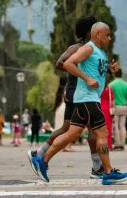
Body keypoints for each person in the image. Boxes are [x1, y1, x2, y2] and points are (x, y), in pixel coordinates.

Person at [30, 22, 127, 185]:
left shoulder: (100, 53)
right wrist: (87, 79)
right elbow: (68, 64)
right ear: (97, 34)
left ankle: (42, 160)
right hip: (87, 98)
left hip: (87, 99)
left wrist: (109, 71)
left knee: (72, 134)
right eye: (107, 35)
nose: (110, 38)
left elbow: (98, 74)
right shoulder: (88, 48)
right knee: (102, 134)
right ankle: (108, 172)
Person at [28, 16, 103, 179]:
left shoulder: (92, 49)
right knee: (88, 130)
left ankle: (39, 153)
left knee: (69, 130)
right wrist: (79, 73)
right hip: (76, 92)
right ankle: (97, 166)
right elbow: (60, 63)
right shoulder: (77, 48)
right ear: (88, 32)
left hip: (81, 93)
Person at [109, 69, 127, 151]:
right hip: (124, 106)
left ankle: (117, 144)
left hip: (115, 106)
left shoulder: (111, 84)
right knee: (122, 126)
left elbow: (109, 97)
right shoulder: (126, 85)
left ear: (114, 74)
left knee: (116, 126)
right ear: (121, 74)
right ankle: (123, 144)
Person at [100, 83, 115, 150]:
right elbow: (112, 100)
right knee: (108, 128)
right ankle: (108, 145)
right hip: (108, 109)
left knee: (99, 127)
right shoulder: (109, 88)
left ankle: (99, 144)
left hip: (99, 107)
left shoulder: (98, 86)